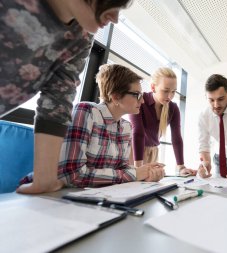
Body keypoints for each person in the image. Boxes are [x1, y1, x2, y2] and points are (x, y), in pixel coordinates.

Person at [0, 0, 132, 194]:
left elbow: (58, 97)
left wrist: (45, 181)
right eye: (111, 2)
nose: (115, 18)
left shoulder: (82, 36)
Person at [20, 64, 165, 188]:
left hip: (86, 195)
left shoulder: (126, 127)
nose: (143, 101)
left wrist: (146, 174)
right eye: (136, 95)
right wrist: (135, 173)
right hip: (47, 193)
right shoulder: (86, 112)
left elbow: (121, 170)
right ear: (115, 97)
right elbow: (73, 174)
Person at [129, 67, 196, 176]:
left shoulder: (173, 108)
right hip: (134, 151)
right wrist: (138, 168)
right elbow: (138, 133)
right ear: (153, 87)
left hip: (153, 152)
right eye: (165, 91)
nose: (170, 96)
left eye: (173, 92)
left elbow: (177, 138)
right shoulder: (140, 101)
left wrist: (181, 167)